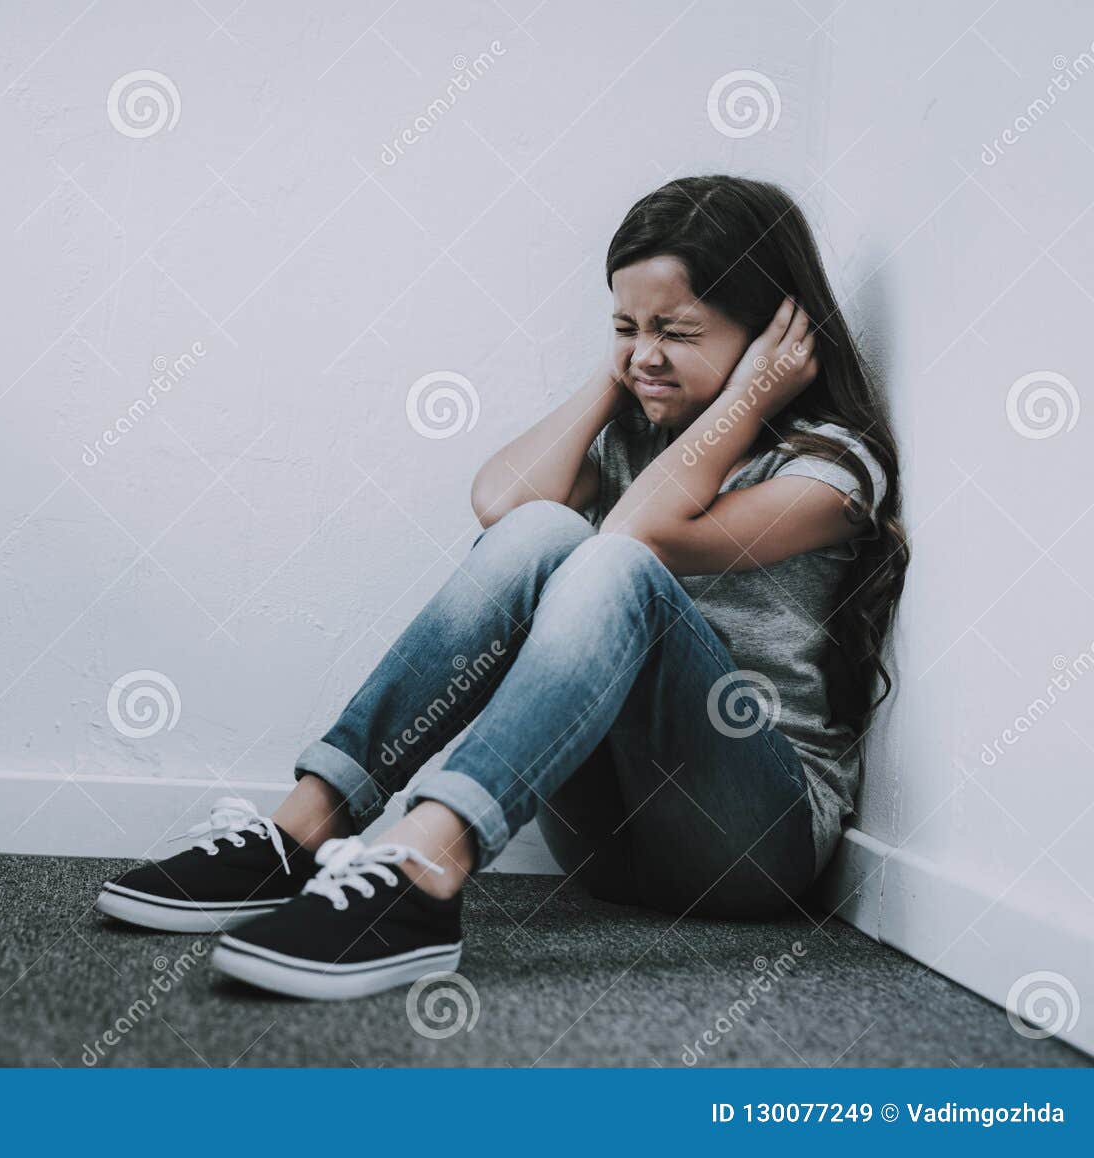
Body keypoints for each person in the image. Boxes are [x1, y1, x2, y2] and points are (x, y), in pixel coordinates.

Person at [95, 174, 911, 1002]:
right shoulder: (637, 436)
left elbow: (637, 535)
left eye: (679, 330)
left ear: (774, 334)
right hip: (612, 842)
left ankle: (422, 873)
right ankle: (302, 829)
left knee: (614, 558)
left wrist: (748, 400)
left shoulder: (834, 471)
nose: (646, 354)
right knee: (545, 528)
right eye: (625, 326)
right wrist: (620, 370)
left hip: (749, 842)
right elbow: (500, 503)